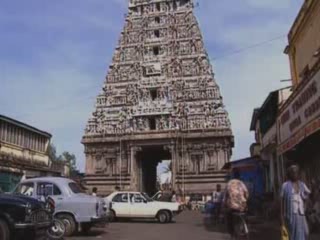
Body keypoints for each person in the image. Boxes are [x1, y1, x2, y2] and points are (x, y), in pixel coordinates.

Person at [281, 165, 311, 240]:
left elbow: (308, 194)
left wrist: (305, 205)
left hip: (301, 215)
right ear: (289, 174)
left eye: (296, 172)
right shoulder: (285, 186)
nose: (294, 174)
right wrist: (281, 217)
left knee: (306, 232)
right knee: (292, 235)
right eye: (292, 172)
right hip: (290, 215)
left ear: (298, 174)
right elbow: (281, 202)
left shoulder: (302, 184)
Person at [224, 170, 249, 239]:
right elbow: (246, 193)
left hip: (232, 207)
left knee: (228, 220)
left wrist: (224, 204)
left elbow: (225, 197)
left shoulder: (229, 183)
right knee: (245, 215)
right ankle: (245, 228)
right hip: (242, 207)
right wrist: (245, 201)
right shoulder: (241, 183)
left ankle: (231, 233)